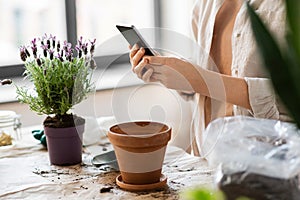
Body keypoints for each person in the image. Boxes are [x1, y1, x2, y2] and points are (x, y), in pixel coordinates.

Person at [129, 0, 288, 155]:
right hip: (207, 156)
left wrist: (198, 79)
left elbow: (291, 99)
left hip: (267, 162)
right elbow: (206, 80)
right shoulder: (204, 5)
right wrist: (170, 73)